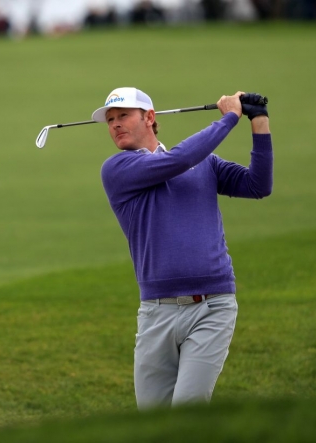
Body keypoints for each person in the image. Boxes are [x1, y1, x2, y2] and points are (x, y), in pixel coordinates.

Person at [94, 87, 272, 409]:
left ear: (150, 117)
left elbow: (258, 185)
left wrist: (258, 120)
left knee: (187, 412)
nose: (115, 125)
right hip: (155, 313)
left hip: (212, 306)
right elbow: (178, 159)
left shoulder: (206, 164)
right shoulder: (117, 169)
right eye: (110, 120)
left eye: (123, 116)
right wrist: (229, 117)